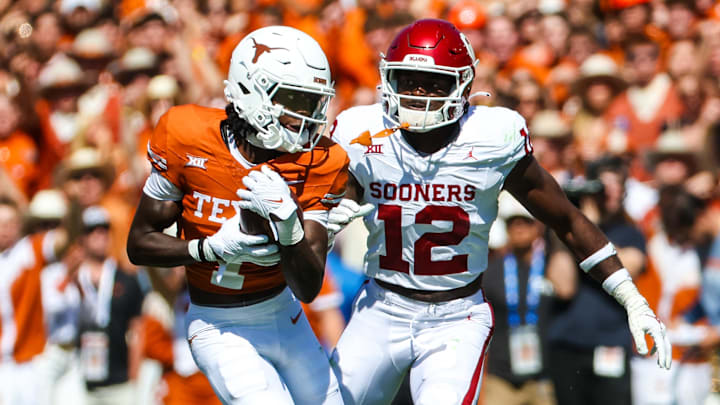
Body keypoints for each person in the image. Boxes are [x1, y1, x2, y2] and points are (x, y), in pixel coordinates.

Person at [326, 19, 671, 405]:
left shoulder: (492, 137)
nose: (419, 93)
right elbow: (312, 225)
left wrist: (630, 297)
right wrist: (319, 223)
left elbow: (567, 220)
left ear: (464, 85)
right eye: (408, 79)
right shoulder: (361, 132)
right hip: (380, 308)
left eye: (434, 82)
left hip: (454, 318)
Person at [126, 26, 347, 405]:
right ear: (251, 90)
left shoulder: (321, 162)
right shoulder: (186, 134)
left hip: (284, 314)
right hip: (217, 321)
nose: (305, 117)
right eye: (294, 100)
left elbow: (308, 288)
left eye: (312, 103)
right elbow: (139, 243)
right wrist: (208, 249)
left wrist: (290, 226)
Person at [76, 206, 144, 405]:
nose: (99, 234)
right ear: (82, 237)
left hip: (119, 380)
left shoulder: (127, 279)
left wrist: (134, 376)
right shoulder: (74, 279)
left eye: (104, 229)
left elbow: (137, 329)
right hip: (79, 379)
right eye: (92, 229)